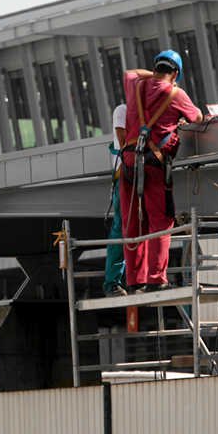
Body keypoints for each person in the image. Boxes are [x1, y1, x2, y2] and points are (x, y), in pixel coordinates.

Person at [120, 50, 203, 292]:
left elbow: (130, 72)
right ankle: (156, 279)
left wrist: (153, 74)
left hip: (127, 161)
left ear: (155, 68)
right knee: (160, 221)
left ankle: (135, 280)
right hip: (153, 163)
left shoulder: (137, 85)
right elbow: (197, 117)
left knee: (133, 221)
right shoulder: (175, 93)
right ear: (176, 73)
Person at [103, 104, 127, 297]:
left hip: (143, 176)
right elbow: (123, 139)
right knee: (121, 228)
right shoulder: (123, 110)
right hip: (125, 177)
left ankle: (143, 279)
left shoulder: (149, 112)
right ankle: (112, 282)